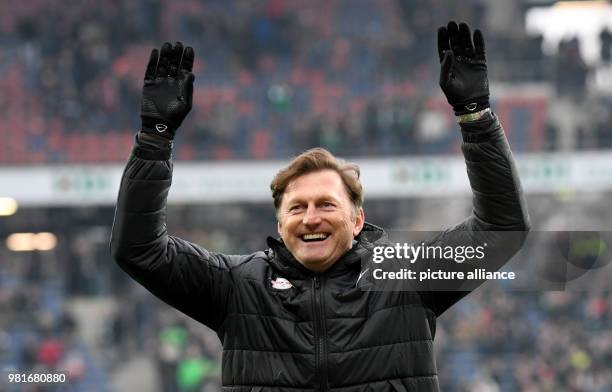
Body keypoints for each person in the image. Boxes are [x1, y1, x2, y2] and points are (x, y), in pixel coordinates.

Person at [111, 21, 530, 391]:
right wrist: (155, 137)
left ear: (357, 219)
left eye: (326, 204)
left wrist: (475, 117)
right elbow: (140, 249)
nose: (311, 217)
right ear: (280, 223)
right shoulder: (237, 288)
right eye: (297, 208)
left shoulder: (406, 279)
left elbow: (500, 229)